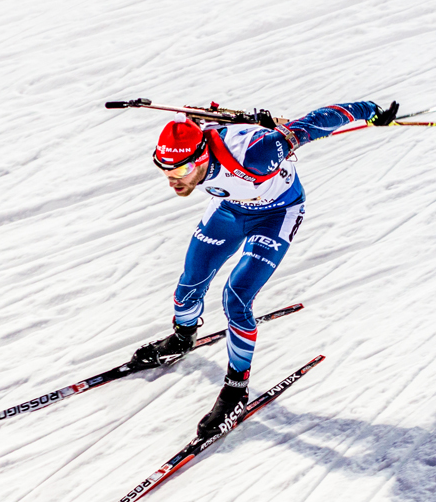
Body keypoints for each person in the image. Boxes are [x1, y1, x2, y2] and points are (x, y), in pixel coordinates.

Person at [131, 99, 399, 438]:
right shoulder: (195, 140)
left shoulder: (259, 152)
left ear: (200, 158)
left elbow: (316, 121)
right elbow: (194, 120)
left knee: (236, 297)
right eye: (165, 171)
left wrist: (370, 110)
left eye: (182, 171)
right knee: (190, 282)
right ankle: (182, 338)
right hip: (230, 210)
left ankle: (235, 390)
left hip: (277, 214)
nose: (173, 180)